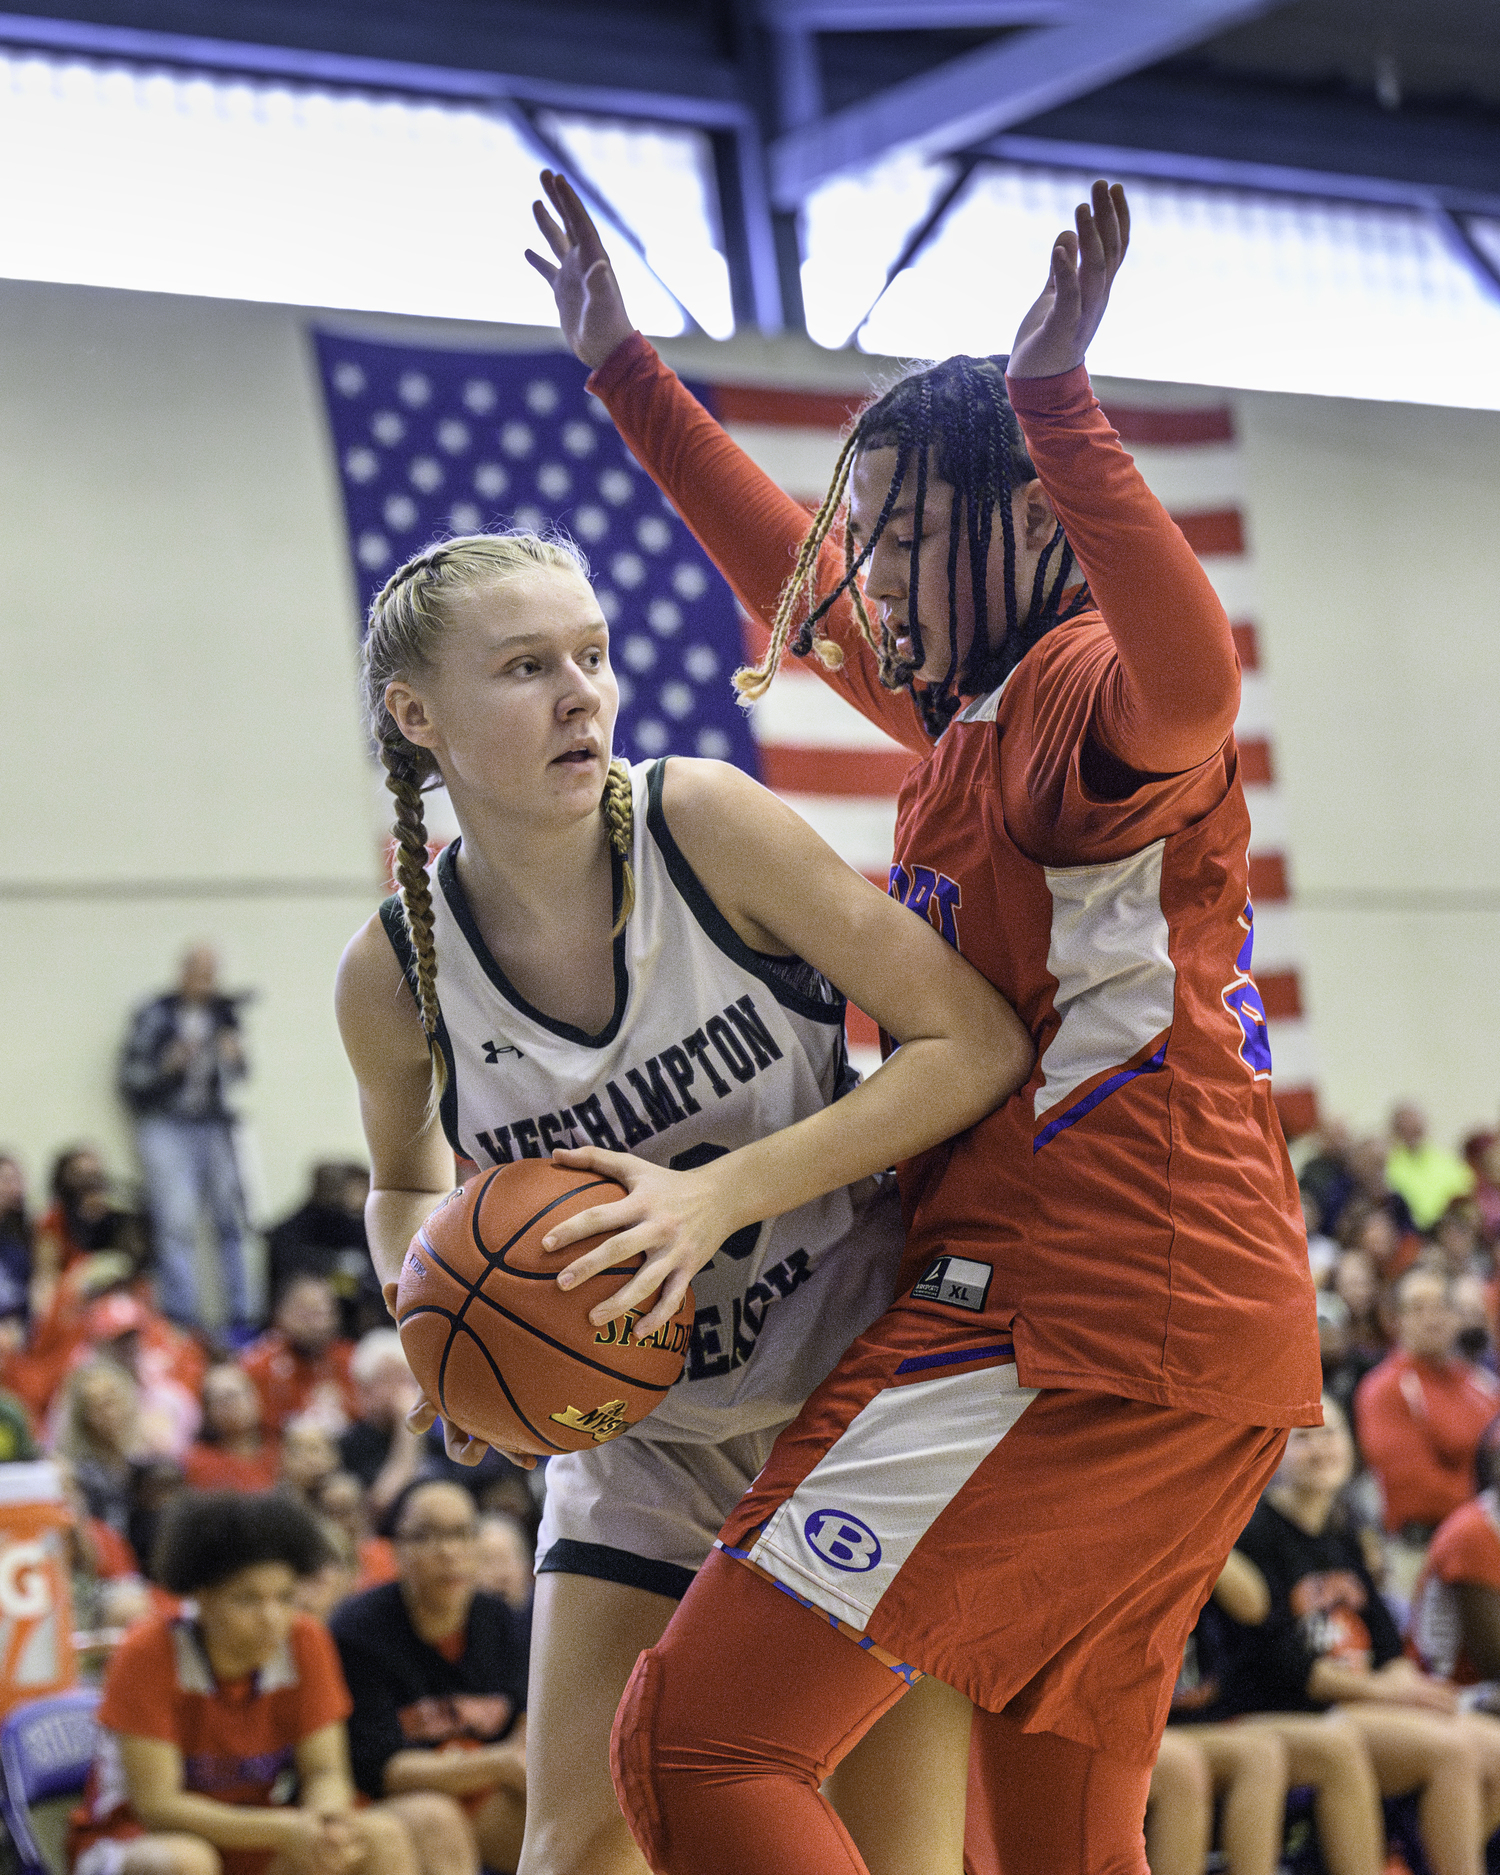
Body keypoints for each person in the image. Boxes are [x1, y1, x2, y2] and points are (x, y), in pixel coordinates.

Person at [525, 169, 1321, 1875]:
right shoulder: (974, 711)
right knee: (1044, 1842)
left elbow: (1193, 686)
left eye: (898, 527)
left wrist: (1063, 408)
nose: (860, 567)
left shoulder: (1075, 693)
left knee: (698, 1746)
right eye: (858, 527)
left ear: (1027, 517)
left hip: (1077, 1315)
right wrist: (625, 370)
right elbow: (789, 586)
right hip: (1183, 1336)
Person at [333, 502, 1034, 1875]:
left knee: (891, 1848)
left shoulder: (702, 822)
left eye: (589, 654)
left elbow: (976, 1042)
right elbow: (406, 1182)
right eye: (526, 665)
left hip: (853, 1399)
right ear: (418, 713)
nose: (580, 689)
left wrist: (710, 1199)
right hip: (637, 1434)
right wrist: (432, 1332)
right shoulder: (394, 972)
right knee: (575, 1846)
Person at [67, 1488, 463, 1875]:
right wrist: (285, 1829)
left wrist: (326, 1823)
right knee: (189, 1862)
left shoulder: (304, 1639)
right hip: (134, 1838)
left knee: (379, 1837)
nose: (271, 1616)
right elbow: (159, 1807)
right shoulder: (148, 1651)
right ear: (202, 1597)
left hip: (251, 1829)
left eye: (285, 1597)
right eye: (248, 1599)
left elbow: (326, 1771)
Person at [1216, 1399, 1500, 1875]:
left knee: (1490, 1743)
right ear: (1270, 1451)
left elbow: (1388, 1644)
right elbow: (1285, 1663)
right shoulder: (1251, 1533)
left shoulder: (1344, 1528)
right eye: (1304, 1436)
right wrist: (1385, 1692)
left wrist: (1407, 1685)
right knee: (1455, 1752)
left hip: (1362, 1700)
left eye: (1332, 1434)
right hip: (1294, 1706)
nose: (1321, 1447)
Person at [331, 1480, 532, 1875]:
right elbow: (381, 1770)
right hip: (389, 1800)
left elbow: (528, 1725)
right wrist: (496, 1763)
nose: (449, 1551)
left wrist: (505, 1764)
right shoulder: (357, 1630)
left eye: (461, 1534)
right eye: (426, 1536)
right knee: (437, 1818)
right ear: (396, 1549)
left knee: (581, 1821)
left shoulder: (503, 1620)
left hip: (482, 1787)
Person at [119, 946, 253, 1329]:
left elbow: (242, 1075)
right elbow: (130, 1079)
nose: (208, 983)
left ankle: (241, 1317)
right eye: (201, 973)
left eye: (213, 974)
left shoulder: (223, 1015)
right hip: (167, 1124)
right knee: (176, 1222)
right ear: (183, 973)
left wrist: (235, 1057)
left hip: (214, 1124)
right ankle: (183, 1319)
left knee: (232, 1220)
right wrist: (167, 1067)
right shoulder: (155, 1014)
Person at [1354, 1265, 1499, 1589]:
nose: (1432, 1317)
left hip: (1489, 1536)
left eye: (1441, 1307)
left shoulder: (1480, 1383)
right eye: (1418, 1308)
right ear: (1397, 1319)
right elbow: (1414, 1488)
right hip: (1424, 1555)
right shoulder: (1384, 1388)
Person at [265, 1164, 382, 1340]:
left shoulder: (355, 1226)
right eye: (362, 1188)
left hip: (352, 1332)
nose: (367, 1196)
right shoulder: (293, 1233)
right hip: (301, 1336)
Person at [240, 1275, 359, 1436]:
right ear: (282, 1313)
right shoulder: (258, 1365)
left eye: (325, 1313)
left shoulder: (352, 1358)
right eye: (308, 1314)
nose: (320, 1324)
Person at [182, 1362, 279, 1493]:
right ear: (208, 1411)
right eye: (218, 1400)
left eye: (232, 1395)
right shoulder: (198, 1462)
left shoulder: (279, 1453)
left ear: (256, 1398)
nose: (229, 1406)